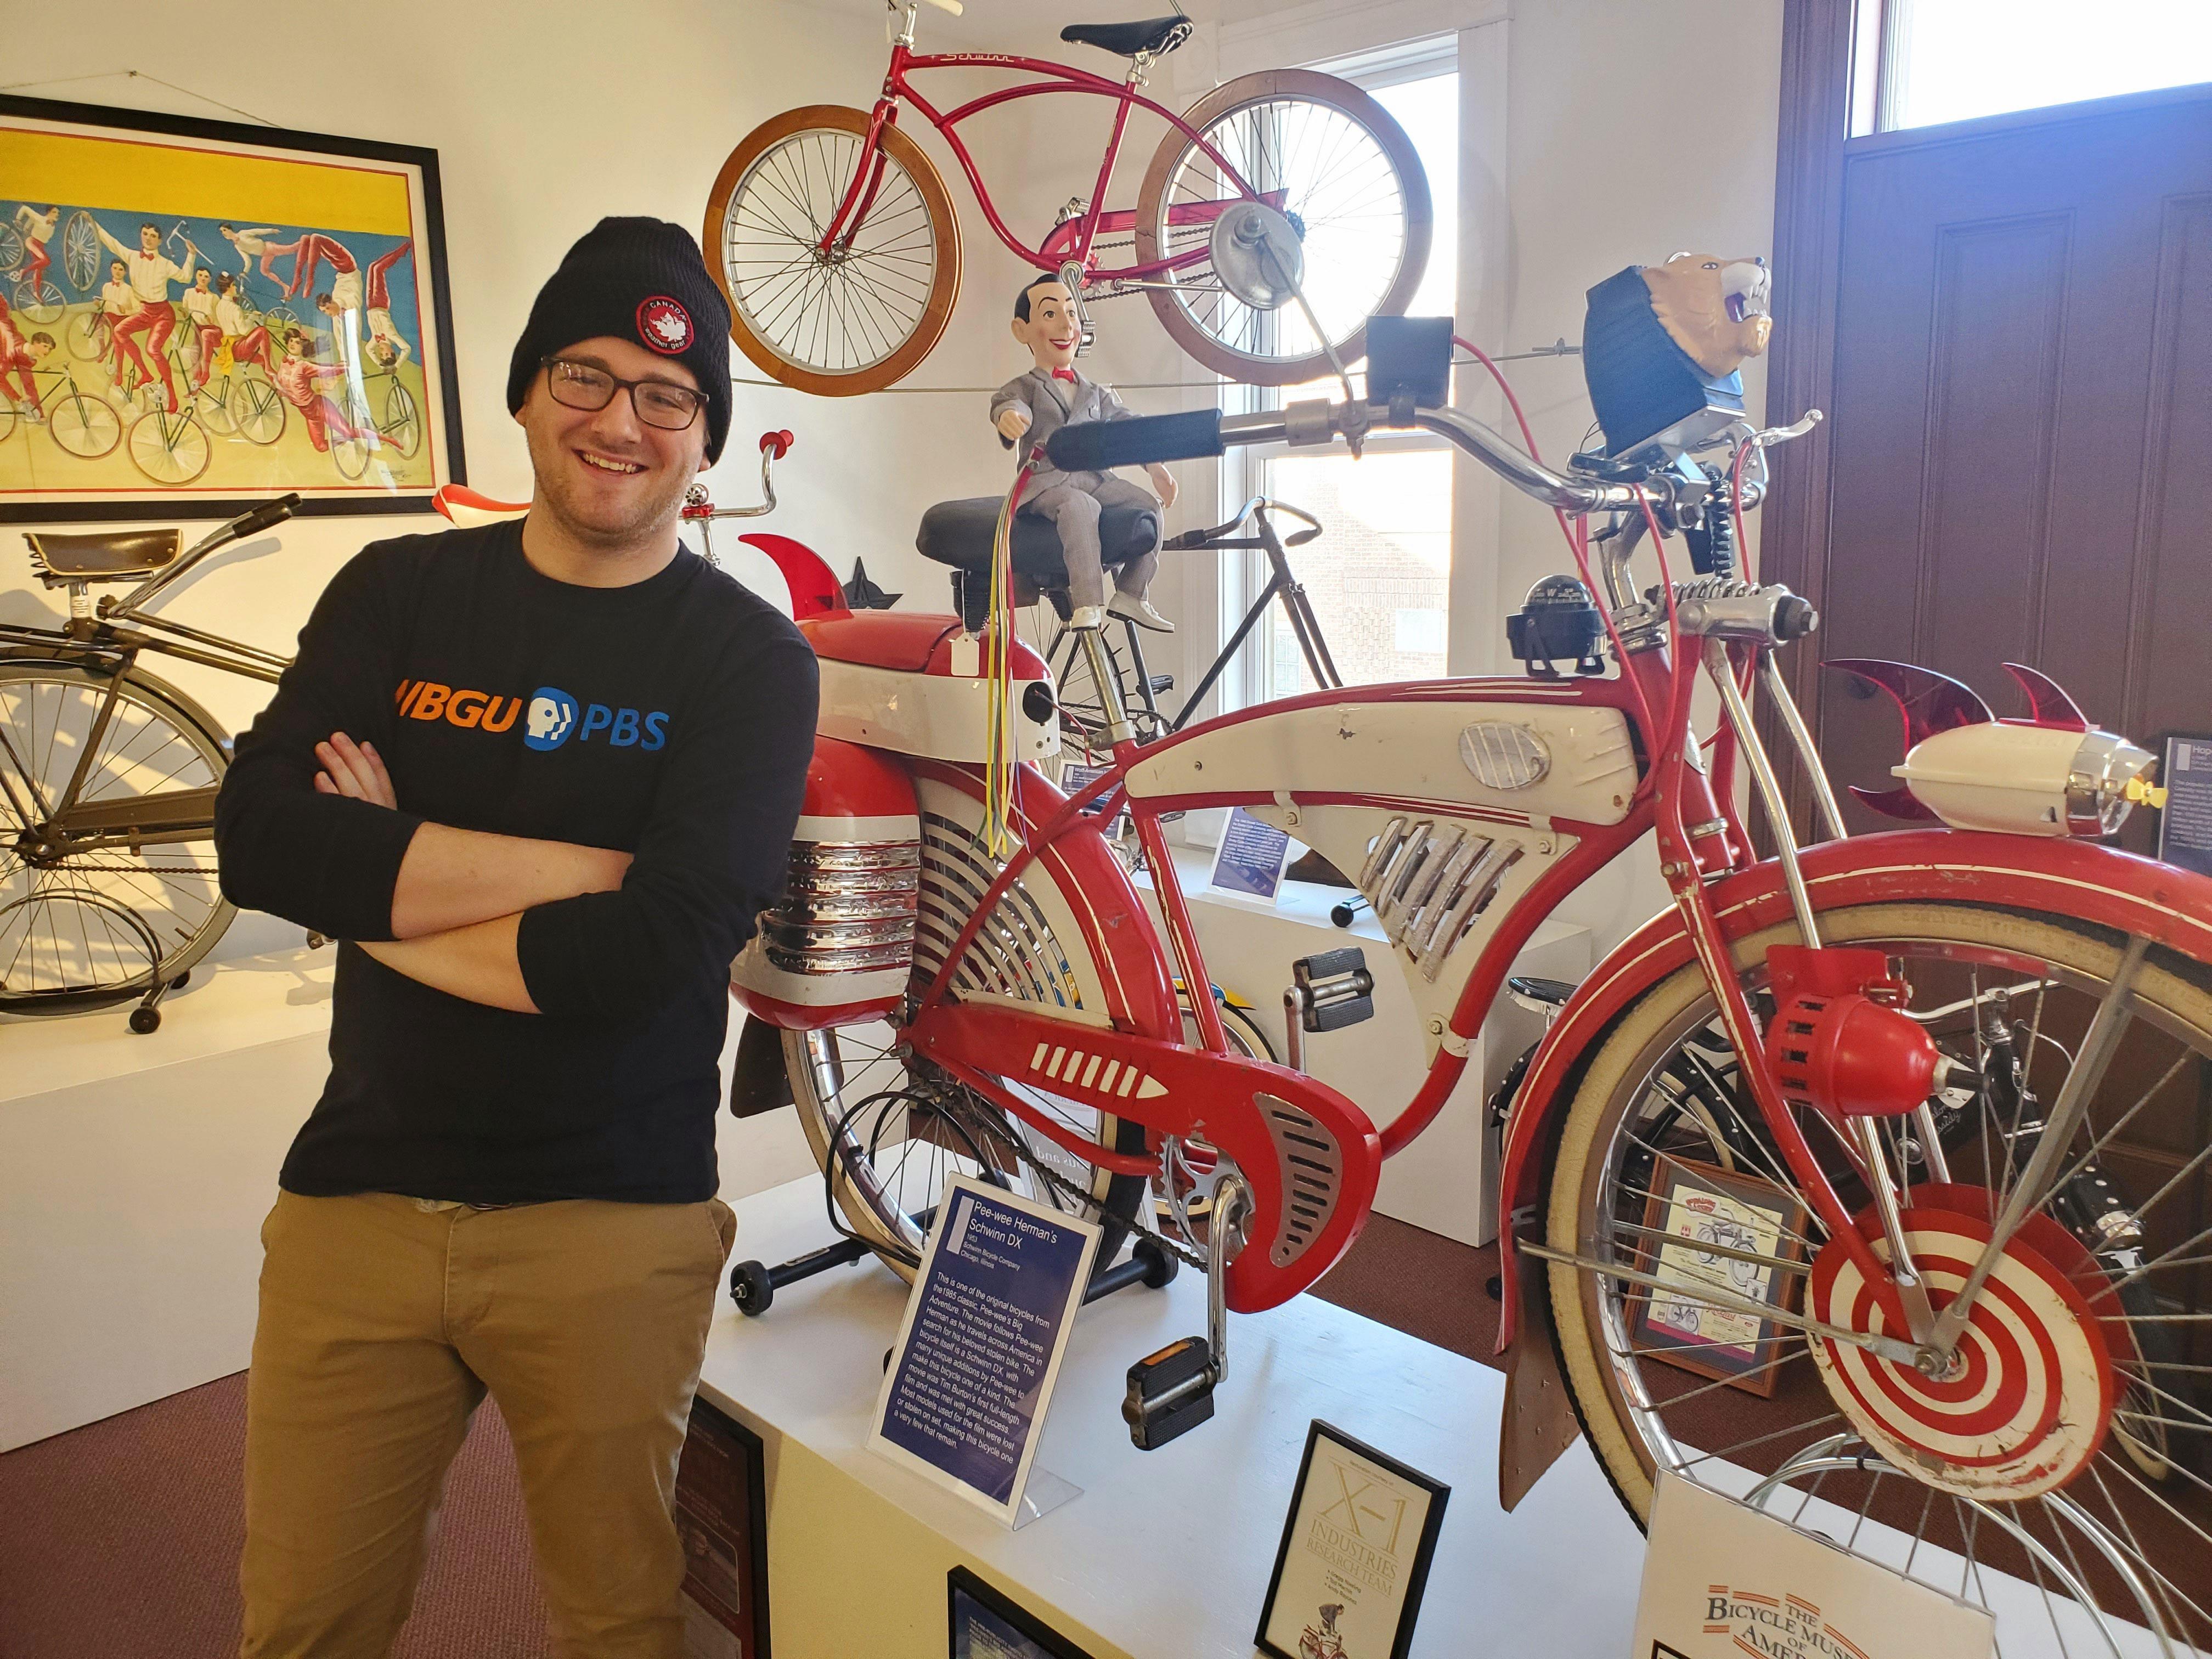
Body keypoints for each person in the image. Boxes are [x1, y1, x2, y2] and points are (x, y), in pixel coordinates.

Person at [212, 215, 817, 1659]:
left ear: (706, 436)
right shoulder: (401, 596)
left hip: (613, 1222)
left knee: (618, 1625)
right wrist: (578, 870)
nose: (623, 422)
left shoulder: (748, 661)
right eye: (587, 377)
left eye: (668, 397)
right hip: (358, 1206)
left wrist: (376, 886)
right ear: (530, 391)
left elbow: (646, 959)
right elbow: (260, 839)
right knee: (300, 1625)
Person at [989, 274, 1178, 633]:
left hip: (1095, 478)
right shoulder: (1026, 387)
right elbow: (1011, 405)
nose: (1065, 324)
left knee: (1146, 504)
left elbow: (1127, 426)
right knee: (1080, 507)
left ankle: (1132, 593)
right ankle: (1087, 601)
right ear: (1022, 329)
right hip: (1048, 483)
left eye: (1072, 314)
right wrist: (1011, 419)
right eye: (1050, 315)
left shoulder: (1094, 392)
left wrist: (1155, 466)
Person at [94, 219, 194, 409]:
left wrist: (191, 255)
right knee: (120, 332)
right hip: (144, 312)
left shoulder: (165, 264)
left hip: (163, 314)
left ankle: (172, 396)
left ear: (160, 241)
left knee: (153, 349)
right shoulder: (131, 256)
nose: (148, 239)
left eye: (153, 236)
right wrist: (96, 227)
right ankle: (146, 374)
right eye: (145, 234)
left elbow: (186, 277)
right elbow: (113, 243)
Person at [316, 239, 414, 366]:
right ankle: (401, 251)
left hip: (371, 305)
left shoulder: (375, 340)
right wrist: (397, 365)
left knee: (375, 267)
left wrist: (380, 364)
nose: (382, 352)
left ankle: (402, 251)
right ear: (392, 351)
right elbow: (407, 349)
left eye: (382, 355)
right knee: (377, 268)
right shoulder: (392, 337)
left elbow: (368, 349)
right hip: (381, 304)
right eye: (387, 354)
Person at [0, 291, 54, 419]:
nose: (47, 352)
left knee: (30, 386)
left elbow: (31, 388)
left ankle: (38, 414)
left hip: (18, 350)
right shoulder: (12, 348)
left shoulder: (10, 328)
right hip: (12, 349)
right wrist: (18, 398)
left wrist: (40, 415)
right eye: (45, 347)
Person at [180, 265, 224, 387]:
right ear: (196, 276)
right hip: (198, 329)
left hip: (214, 331)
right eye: (200, 275)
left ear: (210, 280)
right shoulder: (188, 293)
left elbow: (219, 317)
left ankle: (206, 373)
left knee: (206, 336)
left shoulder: (214, 297)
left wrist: (212, 318)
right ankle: (196, 384)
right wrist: (184, 312)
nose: (203, 279)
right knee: (194, 354)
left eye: (206, 277)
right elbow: (186, 313)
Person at [13, 204, 59, 297]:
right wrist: (18, 219)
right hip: (32, 242)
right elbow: (25, 208)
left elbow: (32, 221)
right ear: (48, 213)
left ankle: (37, 293)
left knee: (39, 269)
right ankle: (24, 271)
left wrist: (27, 226)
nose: (57, 214)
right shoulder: (40, 218)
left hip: (40, 246)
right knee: (46, 261)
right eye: (54, 212)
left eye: (58, 213)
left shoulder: (52, 225)